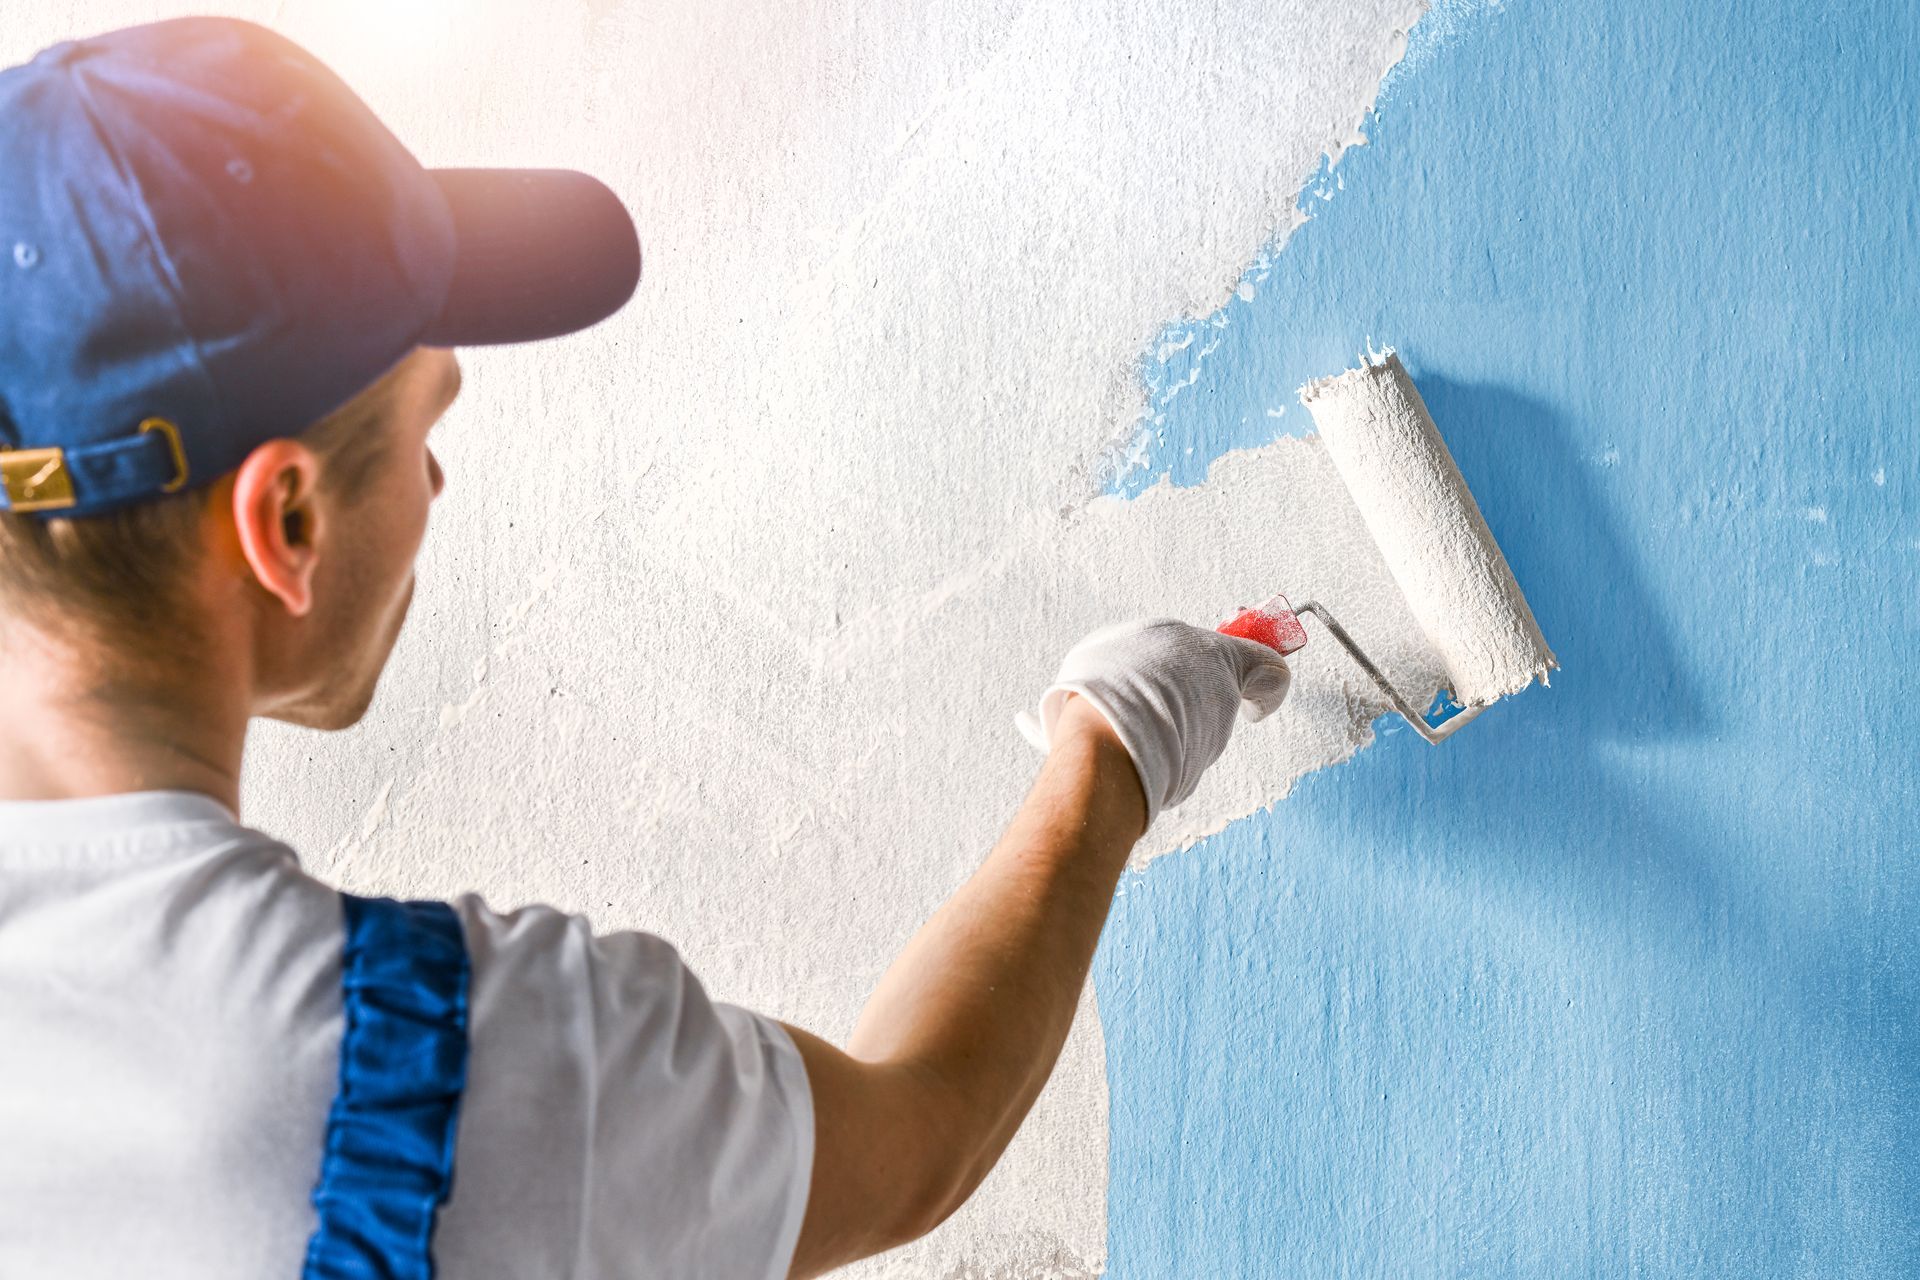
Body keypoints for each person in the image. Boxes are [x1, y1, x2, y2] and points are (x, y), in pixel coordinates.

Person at [0, 17, 1293, 1279]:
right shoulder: (421, 1073)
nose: (437, 485)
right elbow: (913, 1137)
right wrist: (1110, 755)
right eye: (419, 429)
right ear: (286, 517)